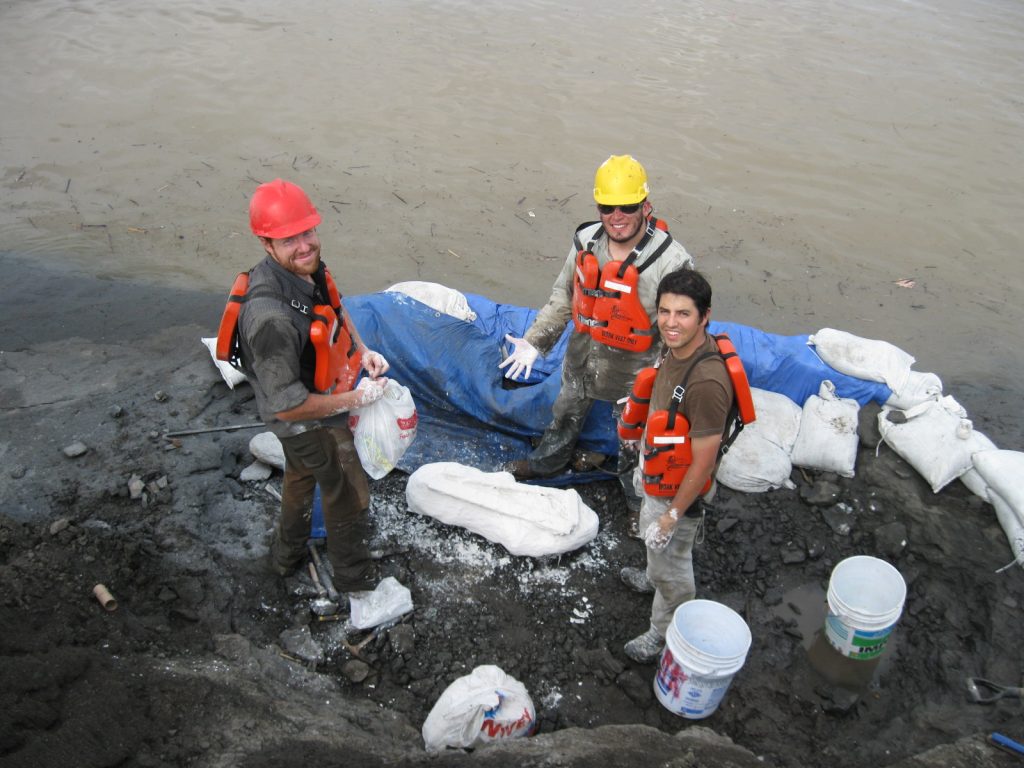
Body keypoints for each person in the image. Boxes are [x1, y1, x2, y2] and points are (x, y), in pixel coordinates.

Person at [499, 155, 695, 514]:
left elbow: (683, 328)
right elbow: (564, 295)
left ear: (645, 206)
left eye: (627, 206)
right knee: (566, 410)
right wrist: (536, 340)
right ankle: (547, 463)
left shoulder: (671, 262)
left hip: (638, 369)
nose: (616, 216)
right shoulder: (586, 242)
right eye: (607, 206)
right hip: (584, 356)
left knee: (635, 439)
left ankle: (638, 502)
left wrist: (668, 379)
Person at [224, 178, 389, 593]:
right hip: (298, 416)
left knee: (300, 475)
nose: (305, 245)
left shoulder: (306, 267)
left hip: (319, 391)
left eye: (308, 232)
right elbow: (289, 408)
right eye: (289, 238)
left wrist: (362, 349)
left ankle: (286, 557)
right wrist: (356, 398)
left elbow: (333, 306)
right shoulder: (271, 321)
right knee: (344, 491)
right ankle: (356, 579)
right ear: (266, 244)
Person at [618, 268, 751, 663]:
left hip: (679, 489)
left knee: (673, 569)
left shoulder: (707, 383)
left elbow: (704, 461)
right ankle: (651, 575)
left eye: (683, 314)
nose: (671, 323)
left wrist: (673, 515)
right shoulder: (675, 348)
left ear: (705, 316)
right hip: (659, 465)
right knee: (655, 544)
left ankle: (664, 629)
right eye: (664, 311)